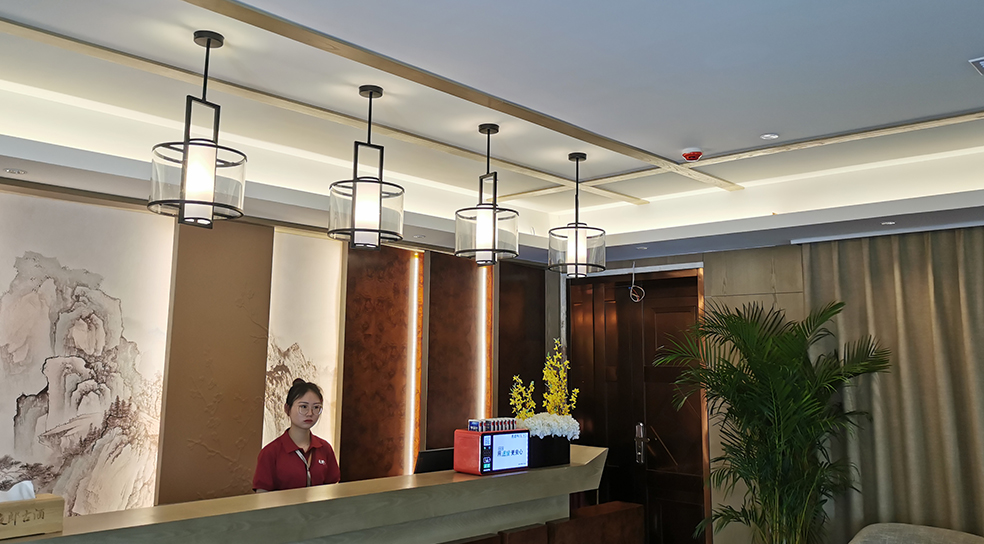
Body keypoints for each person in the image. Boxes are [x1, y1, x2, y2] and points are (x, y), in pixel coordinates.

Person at [253, 379, 340, 492]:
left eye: (316, 407)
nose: (310, 413)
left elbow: (332, 490)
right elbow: (262, 494)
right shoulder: (270, 452)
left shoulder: (325, 448)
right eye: (303, 407)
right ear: (287, 409)